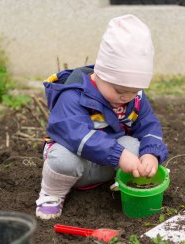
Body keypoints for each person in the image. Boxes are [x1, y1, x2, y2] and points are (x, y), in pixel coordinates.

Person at [36, 14, 168, 219]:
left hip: (108, 163)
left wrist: (151, 154)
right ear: (100, 73)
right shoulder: (73, 94)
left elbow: (149, 125)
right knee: (62, 158)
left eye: (133, 91)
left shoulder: (135, 98)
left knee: (134, 145)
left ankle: (121, 181)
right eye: (118, 90)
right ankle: (52, 194)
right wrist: (120, 155)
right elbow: (77, 135)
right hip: (75, 164)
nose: (125, 97)